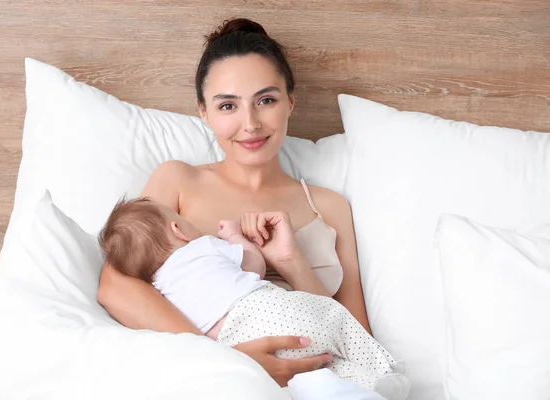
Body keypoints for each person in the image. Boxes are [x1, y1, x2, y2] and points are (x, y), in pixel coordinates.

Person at [97, 17, 372, 387]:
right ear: (203, 112)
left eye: (266, 100)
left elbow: (359, 340)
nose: (251, 123)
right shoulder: (178, 180)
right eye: (228, 106)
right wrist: (228, 362)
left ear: (290, 102)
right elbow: (115, 287)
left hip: (324, 379)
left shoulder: (330, 206)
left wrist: (291, 262)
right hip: (217, 381)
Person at [98, 197, 407, 399]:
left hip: (232, 342)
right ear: (178, 229)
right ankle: (383, 376)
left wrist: (289, 259)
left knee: (315, 379)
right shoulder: (203, 244)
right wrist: (234, 238)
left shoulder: (161, 287)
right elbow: (253, 265)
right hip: (272, 317)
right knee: (332, 323)